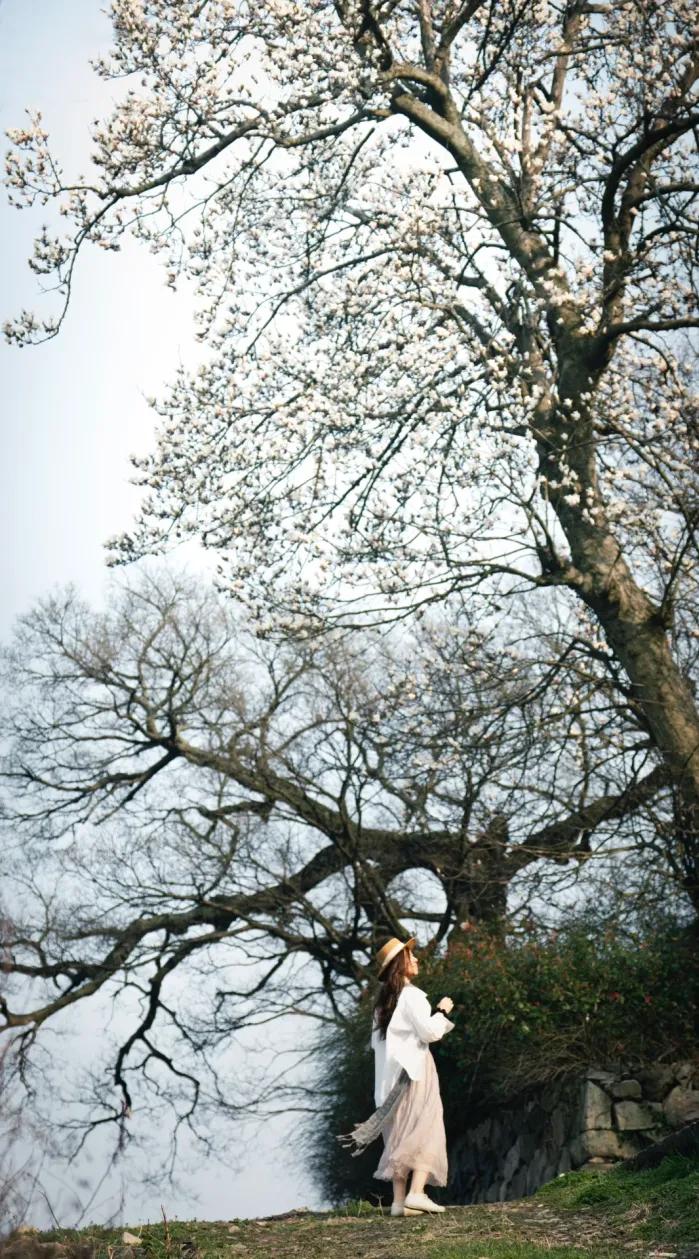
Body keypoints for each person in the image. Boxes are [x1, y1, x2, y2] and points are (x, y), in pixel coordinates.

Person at [371, 936, 455, 1216]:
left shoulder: (382, 1006)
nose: (416, 958)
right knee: (425, 1128)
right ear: (399, 964)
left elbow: (379, 1048)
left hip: (388, 1082)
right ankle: (417, 1193)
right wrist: (442, 1011)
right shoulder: (413, 996)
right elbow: (429, 1033)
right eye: (410, 955)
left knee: (399, 1133)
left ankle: (398, 1202)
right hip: (415, 1073)